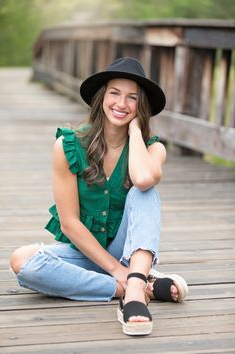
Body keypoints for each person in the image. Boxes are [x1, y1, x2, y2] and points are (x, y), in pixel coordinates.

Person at [10, 57, 188, 336]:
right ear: (101, 97)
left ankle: (134, 289)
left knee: (145, 192)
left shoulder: (153, 150)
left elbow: (142, 179)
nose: (121, 104)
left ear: (141, 107)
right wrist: (118, 272)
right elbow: (69, 223)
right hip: (85, 251)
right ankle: (135, 287)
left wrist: (135, 129)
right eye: (114, 93)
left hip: (127, 251)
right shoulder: (68, 146)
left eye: (132, 98)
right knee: (22, 261)